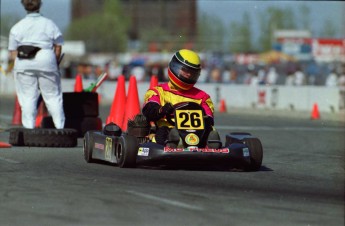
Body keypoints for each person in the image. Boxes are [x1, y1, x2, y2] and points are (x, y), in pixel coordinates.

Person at [142, 49, 220, 148]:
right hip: (168, 130)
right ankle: (173, 143)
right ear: (175, 67)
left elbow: (209, 119)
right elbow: (149, 110)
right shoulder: (158, 92)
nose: (188, 75)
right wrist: (162, 110)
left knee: (210, 130)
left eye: (192, 72)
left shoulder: (203, 97)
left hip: (196, 135)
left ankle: (211, 145)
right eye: (185, 70)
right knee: (164, 132)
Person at [8, 0, 65, 129]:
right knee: (52, 96)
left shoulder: (17, 26)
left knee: (28, 97)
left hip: (23, 61)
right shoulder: (49, 24)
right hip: (46, 58)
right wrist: (55, 63)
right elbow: (58, 46)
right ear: (40, 4)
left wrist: (18, 66)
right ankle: (60, 127)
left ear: (24, 5)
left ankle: (29, 128)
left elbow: (12, 52)